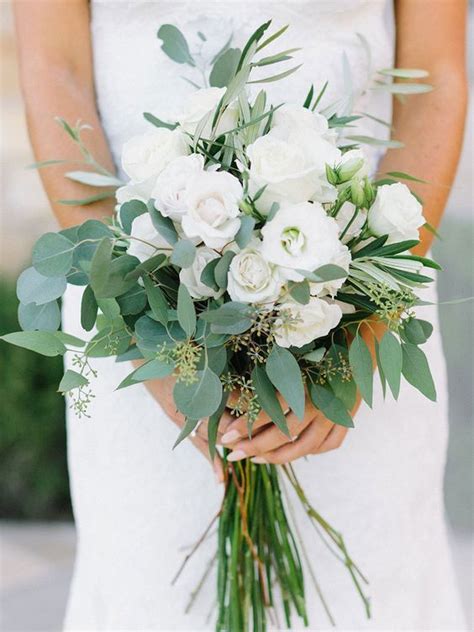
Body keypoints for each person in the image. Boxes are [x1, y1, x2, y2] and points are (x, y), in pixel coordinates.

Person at [14, 1, 468, 630]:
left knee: (367, 591)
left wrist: (365, 324)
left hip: (360, 285)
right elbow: (53, 66)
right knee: (154, 592)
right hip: (137, 297)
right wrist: (141, 327)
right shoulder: (136, 316)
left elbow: (436, 72)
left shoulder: (366, 316)